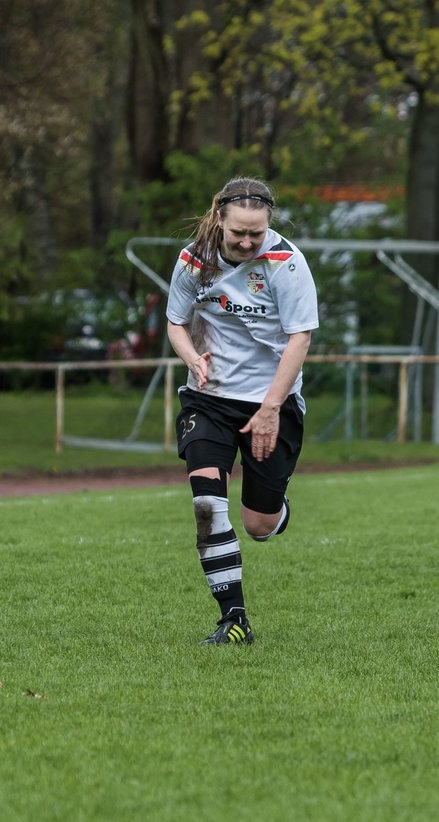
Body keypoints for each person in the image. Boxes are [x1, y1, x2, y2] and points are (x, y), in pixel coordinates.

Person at [165, 176, 319, 645]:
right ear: (219, 219)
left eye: (257, 231)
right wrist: (192, 357)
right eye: (239, 234)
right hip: (208, 400)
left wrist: (272, 406)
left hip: (270, 402)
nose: (248, 241)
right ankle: (234, 619)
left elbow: (301, 338)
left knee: (257, 524)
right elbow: (176, 322)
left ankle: (277, 513)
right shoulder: (194, 259)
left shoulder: (285, 263)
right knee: (208, 504)